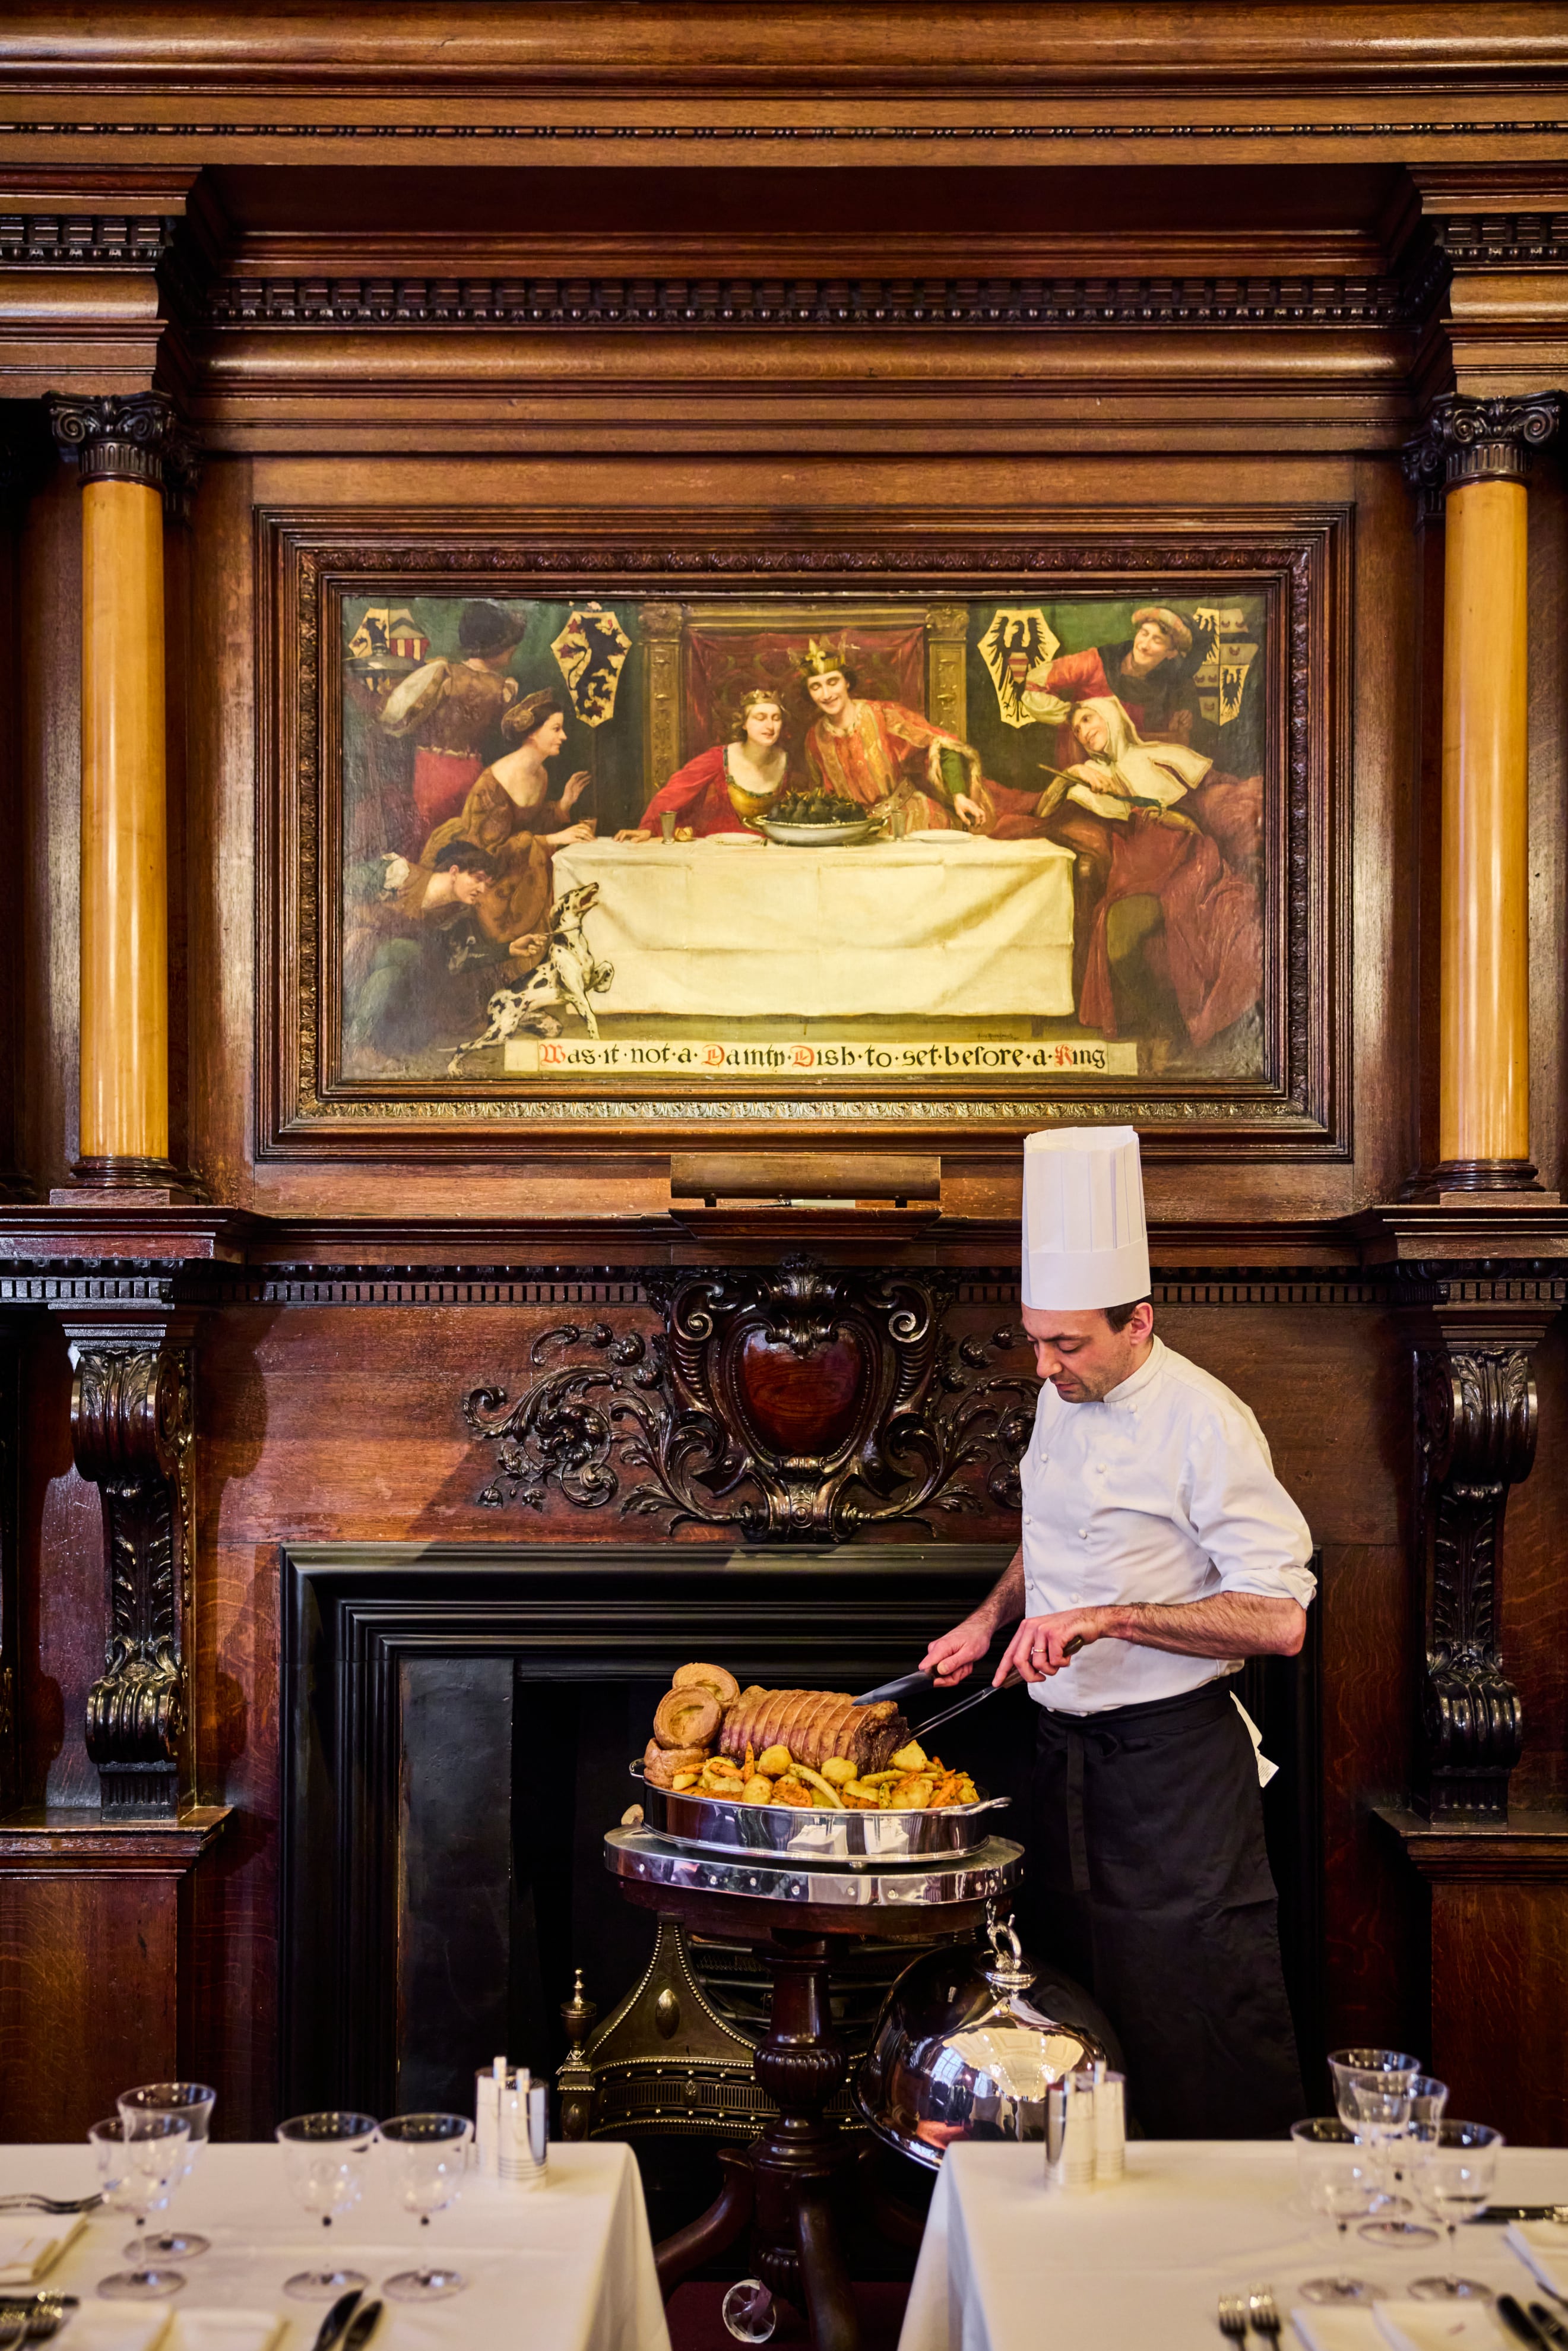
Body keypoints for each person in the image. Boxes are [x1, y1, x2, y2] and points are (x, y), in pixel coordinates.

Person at [920, 1126, 1314, 2140]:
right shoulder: (1063, 1393)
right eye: (1035, 1340)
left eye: (1067, 1344)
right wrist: (991, 1616)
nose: (1044, 1365)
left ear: (1139, 1319)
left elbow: (1278, 1618)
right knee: (1068, 2011)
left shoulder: (1206, 1421)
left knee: (1193, 2019)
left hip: (1173, 1773)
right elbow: (1053, 1532)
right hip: (1063, 1758)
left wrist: (1107, 1617)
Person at [991, 696, 1262, 1061]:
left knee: (1203, 918)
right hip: (1136, 868)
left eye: (1089, 719)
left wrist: (1171, 814)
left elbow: (1211, 798)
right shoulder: (1089, 775)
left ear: (1111, 716)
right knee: (1117, 935)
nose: (1084, 732)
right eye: (1077, 729)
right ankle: (1165, 1026)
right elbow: (1043, 813)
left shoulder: (1161, 756)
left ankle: (1191, 1034)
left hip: (1187, 857)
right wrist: (1075, 775)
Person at [346, 837, 548, 1065]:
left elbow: (458, 959)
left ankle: (359, 1044)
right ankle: (357, 1041)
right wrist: (361, 919)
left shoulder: (457, 917)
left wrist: (509, 949)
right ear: (454, 872)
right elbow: (340, 883)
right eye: (478, 879)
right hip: (349, 955)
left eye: (488, 885)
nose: (482, 889)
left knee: (393, 971)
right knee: (403, 952)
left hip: (390, 984)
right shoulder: (401, 874)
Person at [797, 640, 992, 831]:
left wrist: (959, 796)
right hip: (855, 830)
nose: (826, 694)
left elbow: (942, 745)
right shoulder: (815, 737)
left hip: (911, 819)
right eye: (816, 687)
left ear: (847, 682)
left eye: (833, 683)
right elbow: (819, 791)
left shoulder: (883, 715)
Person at [379, 600, 527, 833]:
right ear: (495, 646)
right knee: (461, 830)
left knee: (436, 831)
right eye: (510, 646)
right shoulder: (504, 689)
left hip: (434, 768)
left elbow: (396, 716)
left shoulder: (443, 673)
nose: (513, 651)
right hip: (468, 770)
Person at [614, 687, 791, 840]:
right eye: (760, 718)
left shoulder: (787, 762)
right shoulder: (718, 758)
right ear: (744, 723)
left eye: (776, 718)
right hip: (720, 850)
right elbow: (673, 794)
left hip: (770, 850)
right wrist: (648, 828)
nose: (770, 726)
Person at [1013, 605, 1198, 752]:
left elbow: (1160, 741)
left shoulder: (1170, 683)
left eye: (1157, 641)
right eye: (1144, 633)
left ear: (1171, 653)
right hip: (1081, 763)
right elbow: (1033, 685)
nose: (1144, 645)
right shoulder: (1097, 662)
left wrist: (1181, 722)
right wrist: (1073, 715)